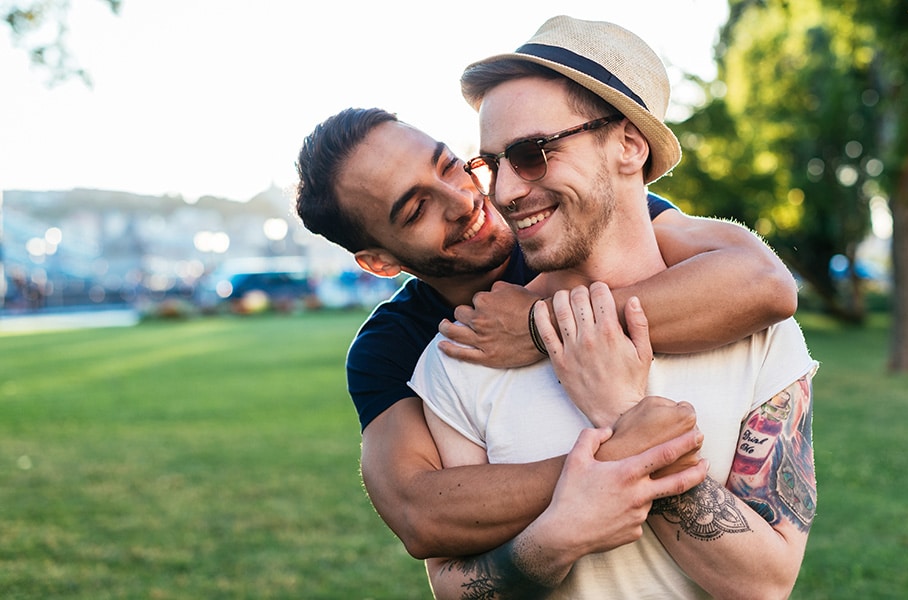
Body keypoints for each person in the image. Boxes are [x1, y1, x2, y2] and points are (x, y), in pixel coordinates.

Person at [410, 15, 818, 599]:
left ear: (629, 144)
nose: (503, 191)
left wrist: (621, 411)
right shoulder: (464, 354)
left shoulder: (763, 340)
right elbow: (455, 588)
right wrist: (553, 542)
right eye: (491, 163)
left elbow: (764, 584)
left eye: (531, 153)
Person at [295, 111, 798, 561]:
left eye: (448, 165)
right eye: (415, 210)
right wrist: (612, 461)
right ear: (380, 262)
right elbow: (418, 512)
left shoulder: (575, 217)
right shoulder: (391, 346)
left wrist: (539, 323)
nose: (464, 198)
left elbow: (764, 284)